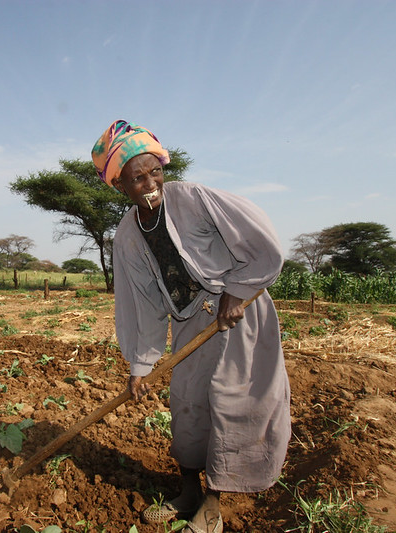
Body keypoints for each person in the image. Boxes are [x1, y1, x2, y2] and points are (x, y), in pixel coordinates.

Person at [91, 120, 291, 533]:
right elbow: (141, 305)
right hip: (189, 322)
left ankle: (213, 504)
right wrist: (141, 364)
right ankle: (188, 492)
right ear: (120, 186)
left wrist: (236, 290)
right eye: (137, 178)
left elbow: (260, 237)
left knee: (228, 400)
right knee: (186, 404)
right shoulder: (127, 236)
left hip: (236, 311)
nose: (150, 184)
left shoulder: (194, 199)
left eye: (155, 172)